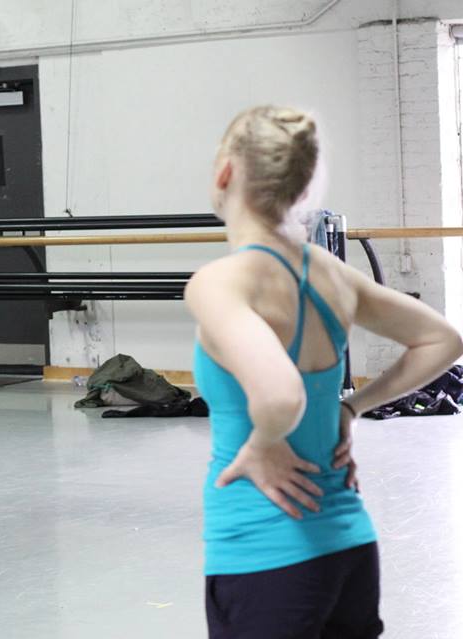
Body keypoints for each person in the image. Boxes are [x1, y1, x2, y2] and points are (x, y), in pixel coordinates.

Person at [186, 105, 463, 638]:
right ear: (302, 186)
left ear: (224, 174)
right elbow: (442, 339)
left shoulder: (220, 283)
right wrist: (350, 406)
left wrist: (264, 443)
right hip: (348, 547)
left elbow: (280, 395)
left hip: (265, 554)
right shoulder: (329, 272)